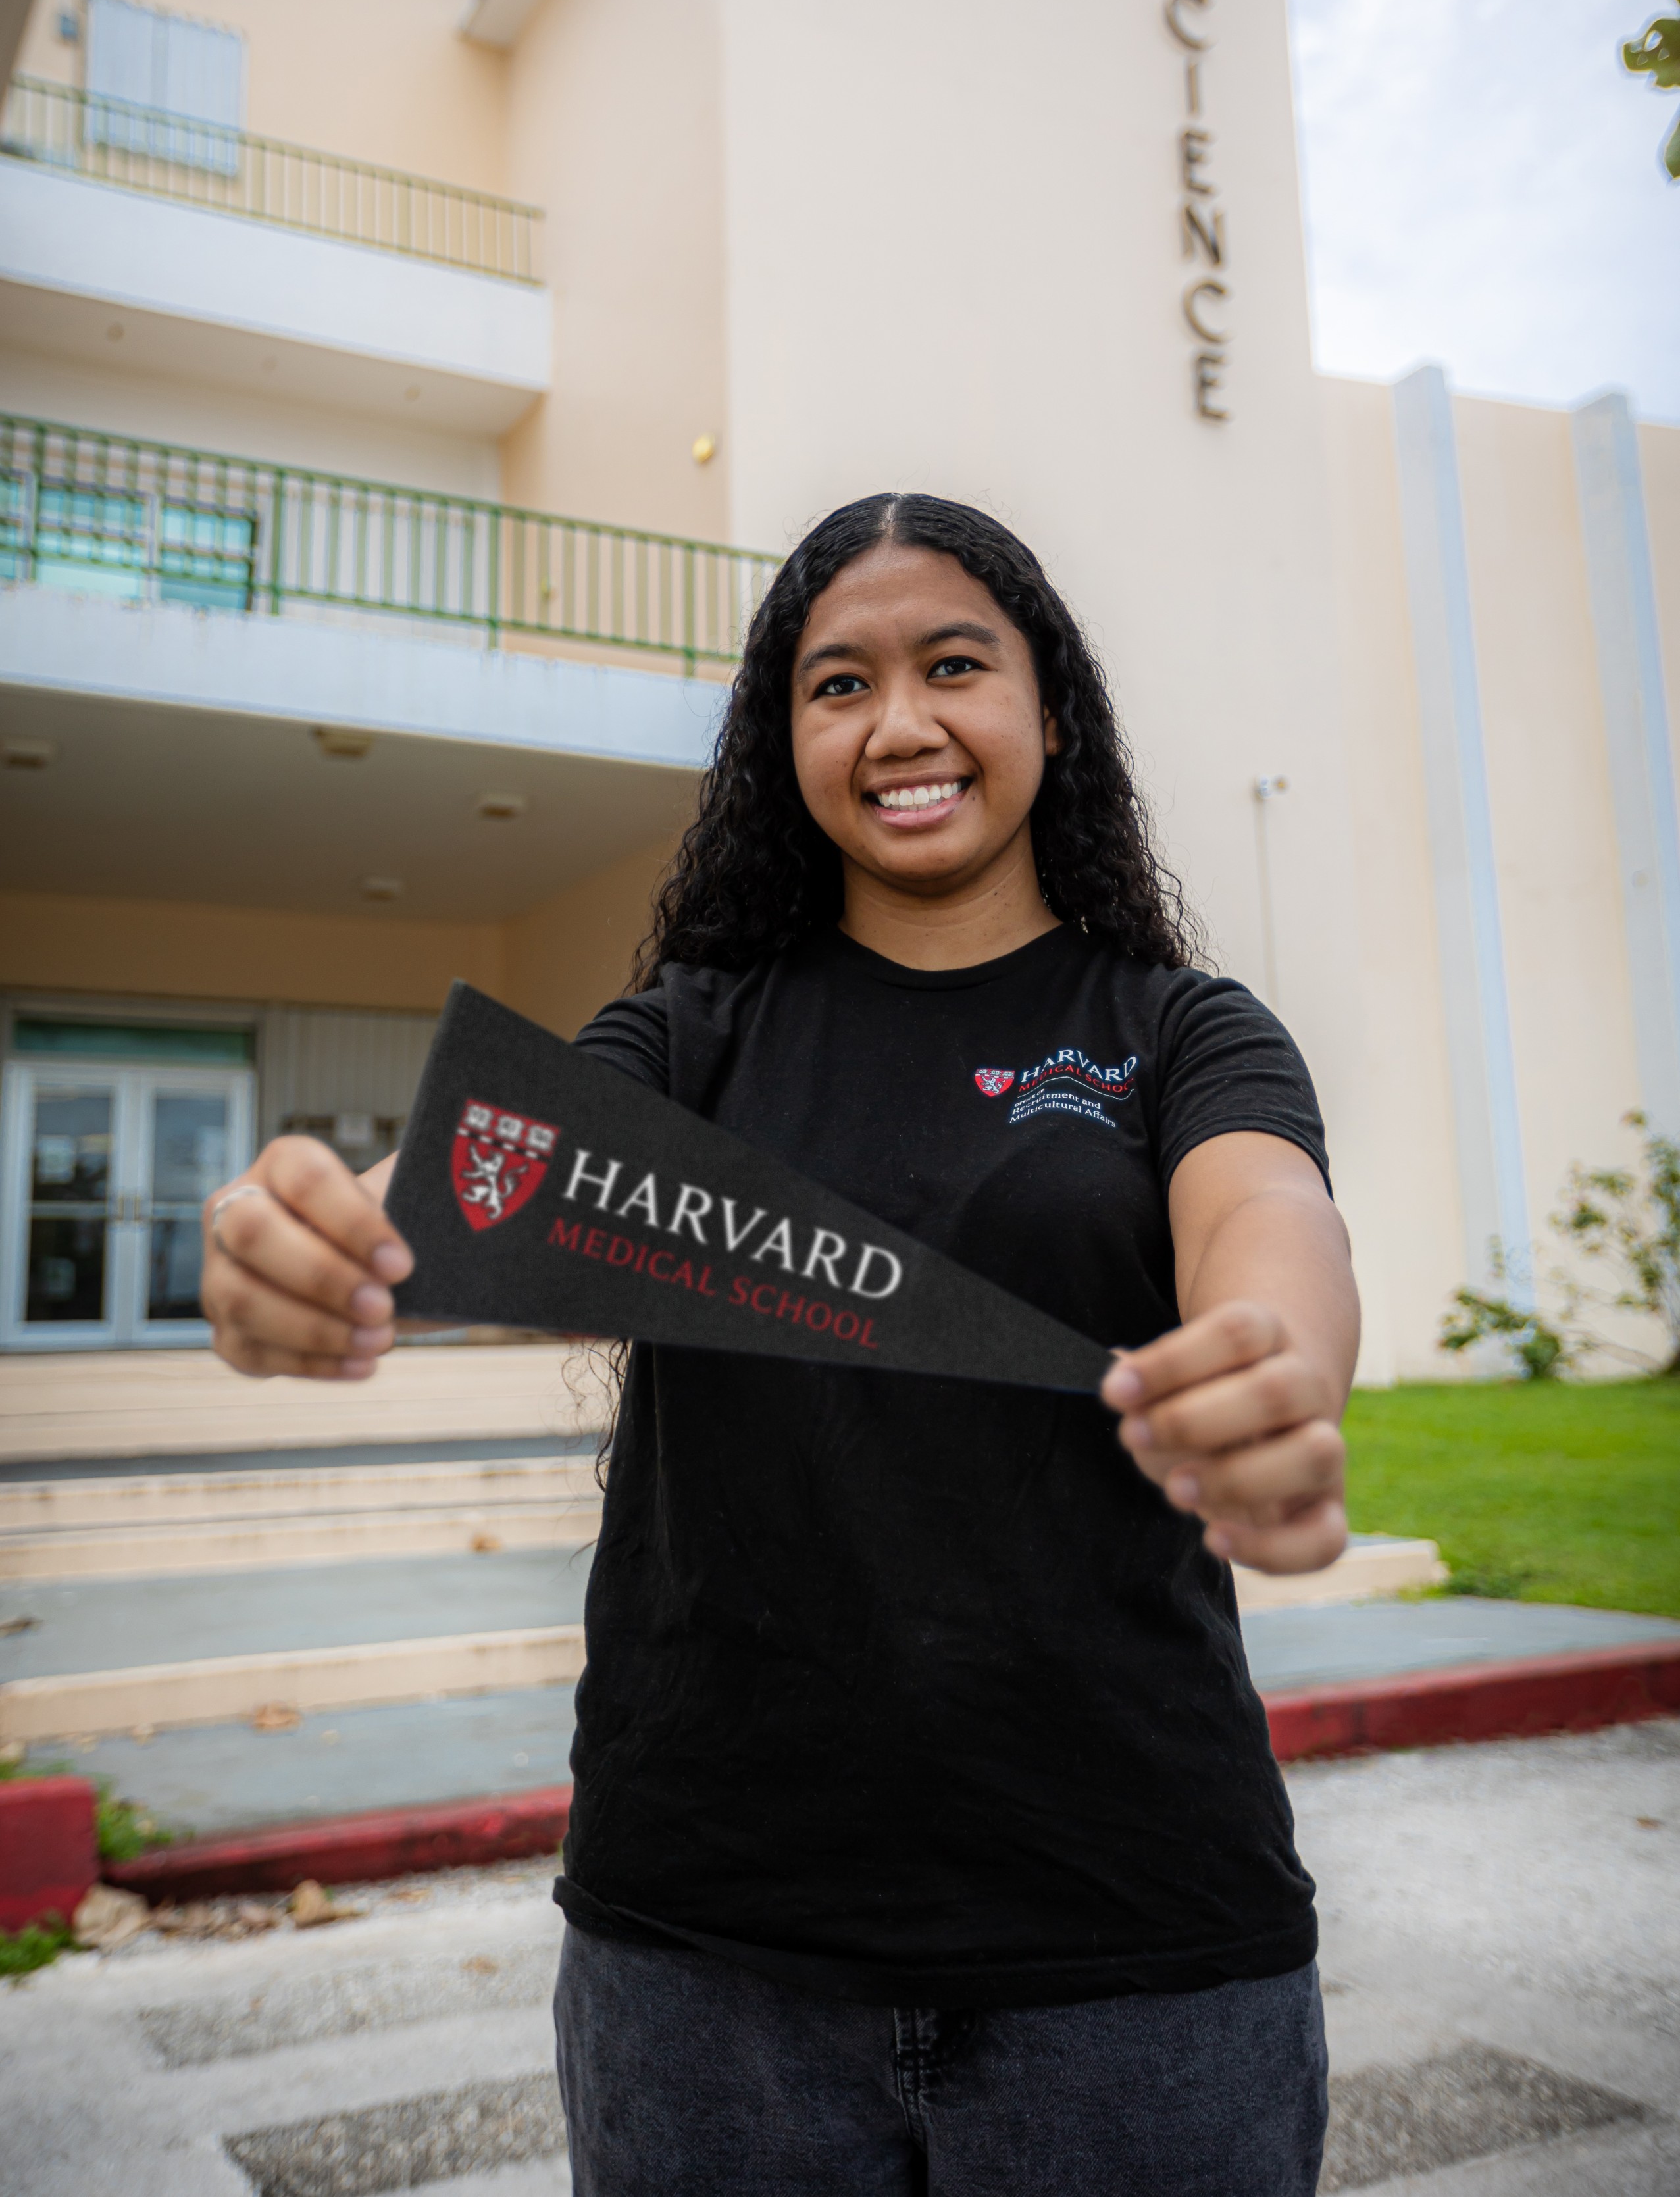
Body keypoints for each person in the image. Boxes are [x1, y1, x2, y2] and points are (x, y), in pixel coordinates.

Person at [201, 493, 1359, 2196]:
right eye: (837, 685)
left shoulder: (1177, 1028)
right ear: (782, 738)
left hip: (1133, 1945)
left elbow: (1269, 1219)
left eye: (952, 664)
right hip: (704, 1964)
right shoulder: (687, 1038)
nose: (899, 724)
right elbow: (459, 1190)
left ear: (1051, 706)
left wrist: (1274, 1359)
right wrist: (308, 1250)